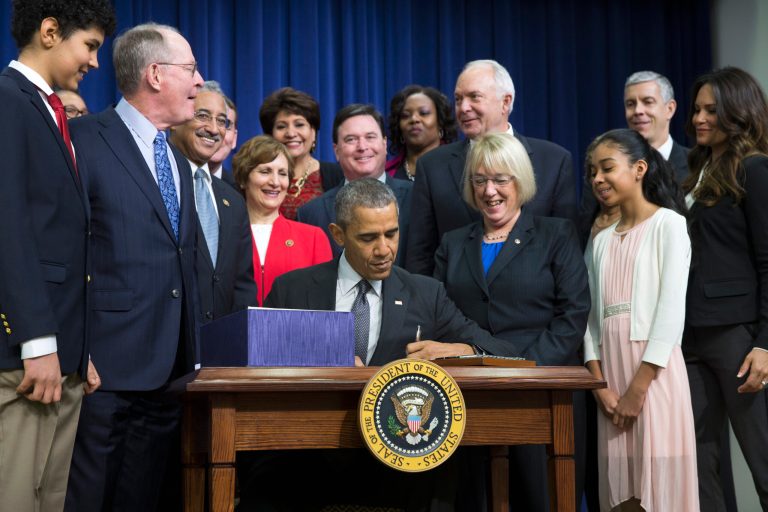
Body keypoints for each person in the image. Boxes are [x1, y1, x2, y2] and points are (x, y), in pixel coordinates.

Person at [238, 178, 503, 510]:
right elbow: (254, 362)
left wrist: (462, 351)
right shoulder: (293, 289)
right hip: (305, 459)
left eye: (391, 234)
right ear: (338, 235)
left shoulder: (426, 294)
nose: (384, 249)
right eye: (368, 238)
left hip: (397, 468)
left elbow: (496, 350)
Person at [64, 23, 204, 512]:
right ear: (155, 75)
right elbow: (64, 251)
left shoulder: (180, 161)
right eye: (190, 69)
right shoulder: (81, 140)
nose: (200, 81)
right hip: (101, 374)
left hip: (168, 375)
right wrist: (75, 347)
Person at [427, 132, 590, 511]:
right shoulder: (453, 243)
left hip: (541, 394)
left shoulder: (556, 234)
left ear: (521, 181)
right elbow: (440, 314)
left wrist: (524, 370)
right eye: (479, 180)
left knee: (541, 500)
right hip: (468, 397)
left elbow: (573, 313)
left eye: (501, 179)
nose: (490, 190)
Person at [0, 1, 115, 510]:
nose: (94, 62)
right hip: (27, 356)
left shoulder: (46, 108)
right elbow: (9, 228)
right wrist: (38, 340)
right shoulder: (7, 100)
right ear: (50, 32)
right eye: (89, 45)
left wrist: (75, 343)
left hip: (60, 356)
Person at [584, 128, 698, 511]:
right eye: (592, 172)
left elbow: (670, 312)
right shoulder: (599, 241)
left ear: (639, 169)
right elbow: (591, 321)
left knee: (660, 488)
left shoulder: (669, 225)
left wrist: (638, 388)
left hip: (653, 375)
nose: (597, 179)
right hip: (610, 378)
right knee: (621, 491)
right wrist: (600, 386)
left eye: (607, 168)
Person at [682, 66, 768, 512]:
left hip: (737, 335)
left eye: (711, 110)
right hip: (691, 335)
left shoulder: (755, 169)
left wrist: (765, 344)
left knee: (762, 455)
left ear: (738, 111)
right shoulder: (697, 169)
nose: (699, 118)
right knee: (700, 460)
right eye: (697, 109)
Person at [406, 59, 576, 276]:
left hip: (533, 306)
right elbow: (420, 254)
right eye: (458, 99)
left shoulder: (554, 161)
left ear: (505, 102)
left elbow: (568, 254)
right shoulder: (432, 166)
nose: (463, 108)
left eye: (474, 97)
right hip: (454, 306)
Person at [169, 81, 256, 322]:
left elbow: (243, 287)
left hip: (222, 349)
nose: (213, 129)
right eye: (203, 116)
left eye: (222, 121)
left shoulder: (233, 200)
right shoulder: (157, 182)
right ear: (176, 121)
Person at [578, 71, 690, 247]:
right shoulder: (601, 173)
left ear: (670, 108)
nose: (638, 111)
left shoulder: (696, 164)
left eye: (648, 102)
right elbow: (585, 229)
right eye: (630, 104)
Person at [297, 103, 413, 265]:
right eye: (351, 139)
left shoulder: (417, 198)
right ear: (336, 151)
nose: (362, 146)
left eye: (370, 137)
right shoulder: (311, 214)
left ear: (384, 144)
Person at [232, 135, 332, 305]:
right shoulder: (226, 235)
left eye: (283, 173)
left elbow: (325, 304)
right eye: (265, 171)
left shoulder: (314, 238)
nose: (275, 182)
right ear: (243, 179)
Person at [259, 87, 344, 219]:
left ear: (313, 132)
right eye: (281, 126)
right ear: (270, 135)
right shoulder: (257, 177)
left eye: (299, 125)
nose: (291, 133)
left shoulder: (337, 175)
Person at [385, 84, 458, 181]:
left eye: (423, 113)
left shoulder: (459, 167)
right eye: (406, 115)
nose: (414, 119)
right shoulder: (386, 174)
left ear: (440, 122)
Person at [208, 84, 238, 188]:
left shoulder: (240, 192)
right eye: (205, 118)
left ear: (234, 138)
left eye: (225, 123)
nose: (215, 131)